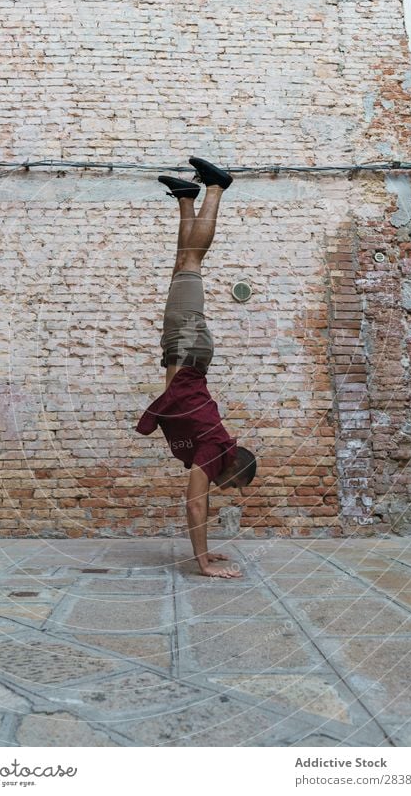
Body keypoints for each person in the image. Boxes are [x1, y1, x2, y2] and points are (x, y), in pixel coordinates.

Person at [135, 157, 257, 578]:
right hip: (187, 347)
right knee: (191, 265)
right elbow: (195, 503)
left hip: (182, 350)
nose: (227, 492)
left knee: (180, 267)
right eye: (234, 487)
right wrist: (203, 561)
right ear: (233, 469)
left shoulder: (215, 446)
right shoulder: (211, 452)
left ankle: (187, 199)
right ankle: (217, 188)